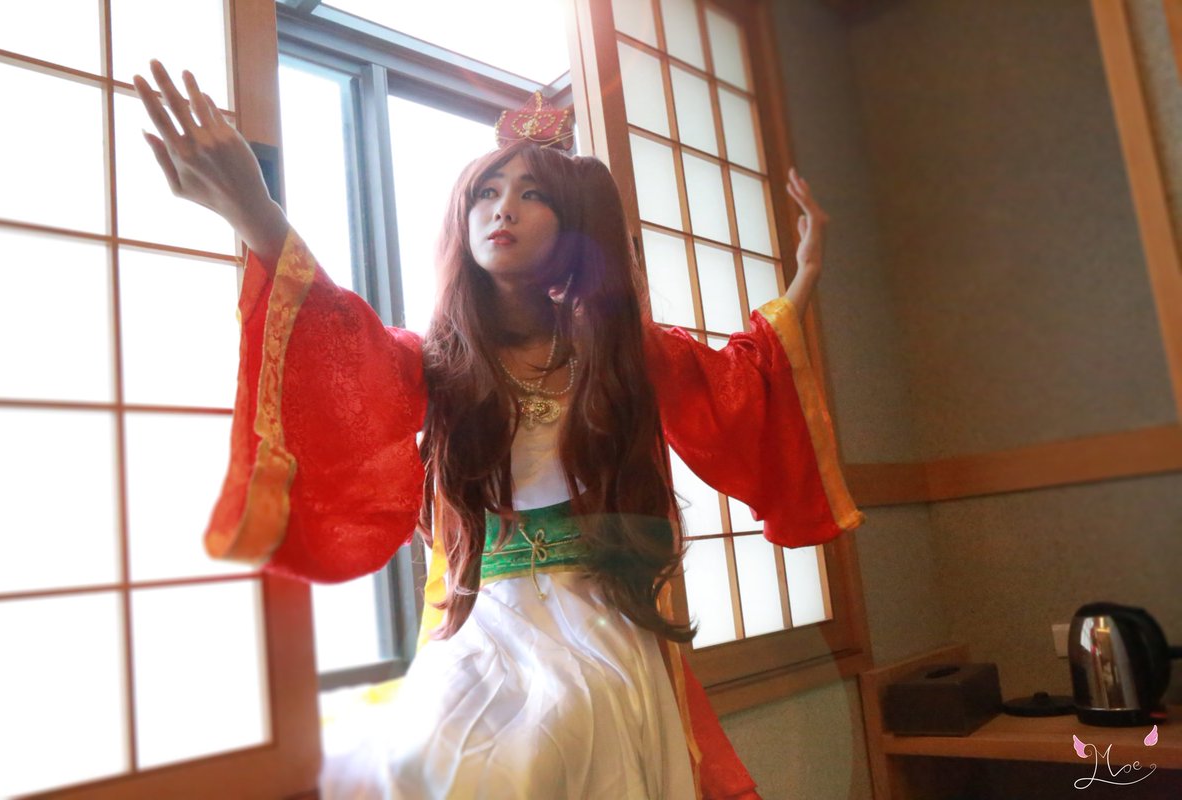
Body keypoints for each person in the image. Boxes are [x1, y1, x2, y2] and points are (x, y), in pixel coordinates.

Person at [134, 59, 864, 800]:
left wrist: (806, 273)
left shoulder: (621, 354)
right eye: (485, 192)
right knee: (405, 765)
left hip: (597, 615)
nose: (502, 208)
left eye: (530, 194)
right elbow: (339, 345)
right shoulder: (437, 363)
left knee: (545, 750)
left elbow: (740, 382)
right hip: (483, 618)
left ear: (573, 227)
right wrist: (256, 213)